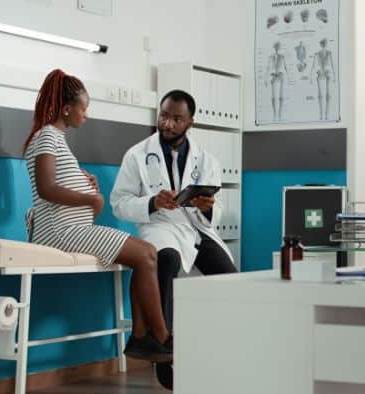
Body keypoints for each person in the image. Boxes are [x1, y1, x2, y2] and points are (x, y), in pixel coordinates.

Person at [22, 70, 173, 368]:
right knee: (145, 255)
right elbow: (46, 188)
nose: (86, 115)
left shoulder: (56, 139)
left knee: (147, 254)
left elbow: (57, 181)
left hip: (72, 227)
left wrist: (81, 178)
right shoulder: (46, 137)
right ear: (67, 108)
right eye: (83, 108)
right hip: (60, 232)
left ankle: (144, 335)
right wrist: (91, 199)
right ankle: (161, 337)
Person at [110, 89, 236, 389]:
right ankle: (164, 351)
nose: (167, 124)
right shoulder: (136, 155)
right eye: (164, 116)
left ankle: (223, 350)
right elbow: (119, 202)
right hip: (160, 225)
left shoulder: (206, 159)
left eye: (176, 119)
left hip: (195, 227)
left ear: (190, 122)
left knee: (230, 277)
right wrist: (153, 202)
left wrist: (208, 208)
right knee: (166, 259)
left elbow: (217, 208)